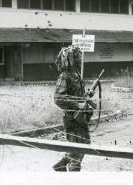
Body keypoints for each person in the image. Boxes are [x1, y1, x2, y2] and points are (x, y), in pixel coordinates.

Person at [53, 44, 94, 172]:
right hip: (72, 118)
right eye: (77, 56)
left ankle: (61, 164)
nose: (80, 58)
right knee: (78, 148)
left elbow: (77, 95)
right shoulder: (64, 76)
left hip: (81, 117)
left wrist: (86, 95)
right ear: (70, 58)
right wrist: (77, 104)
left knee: (85, 143)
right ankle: (73, 172)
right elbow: (58, 98)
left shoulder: (75, 74)